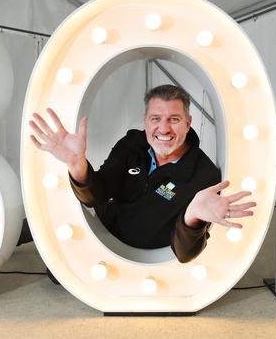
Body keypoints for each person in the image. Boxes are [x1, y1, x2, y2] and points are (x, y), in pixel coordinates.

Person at [29, 85, 255, 263]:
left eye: (174, 120)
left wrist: (192, 218)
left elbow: (185, 254)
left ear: (188, 123)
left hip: (146, 257)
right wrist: (77, 164)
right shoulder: (131, 144)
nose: (164, 129)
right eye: (155, 119)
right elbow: (95, 196)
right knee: (56, 270)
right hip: (103, 239)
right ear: (145, 121)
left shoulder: (203, 176)